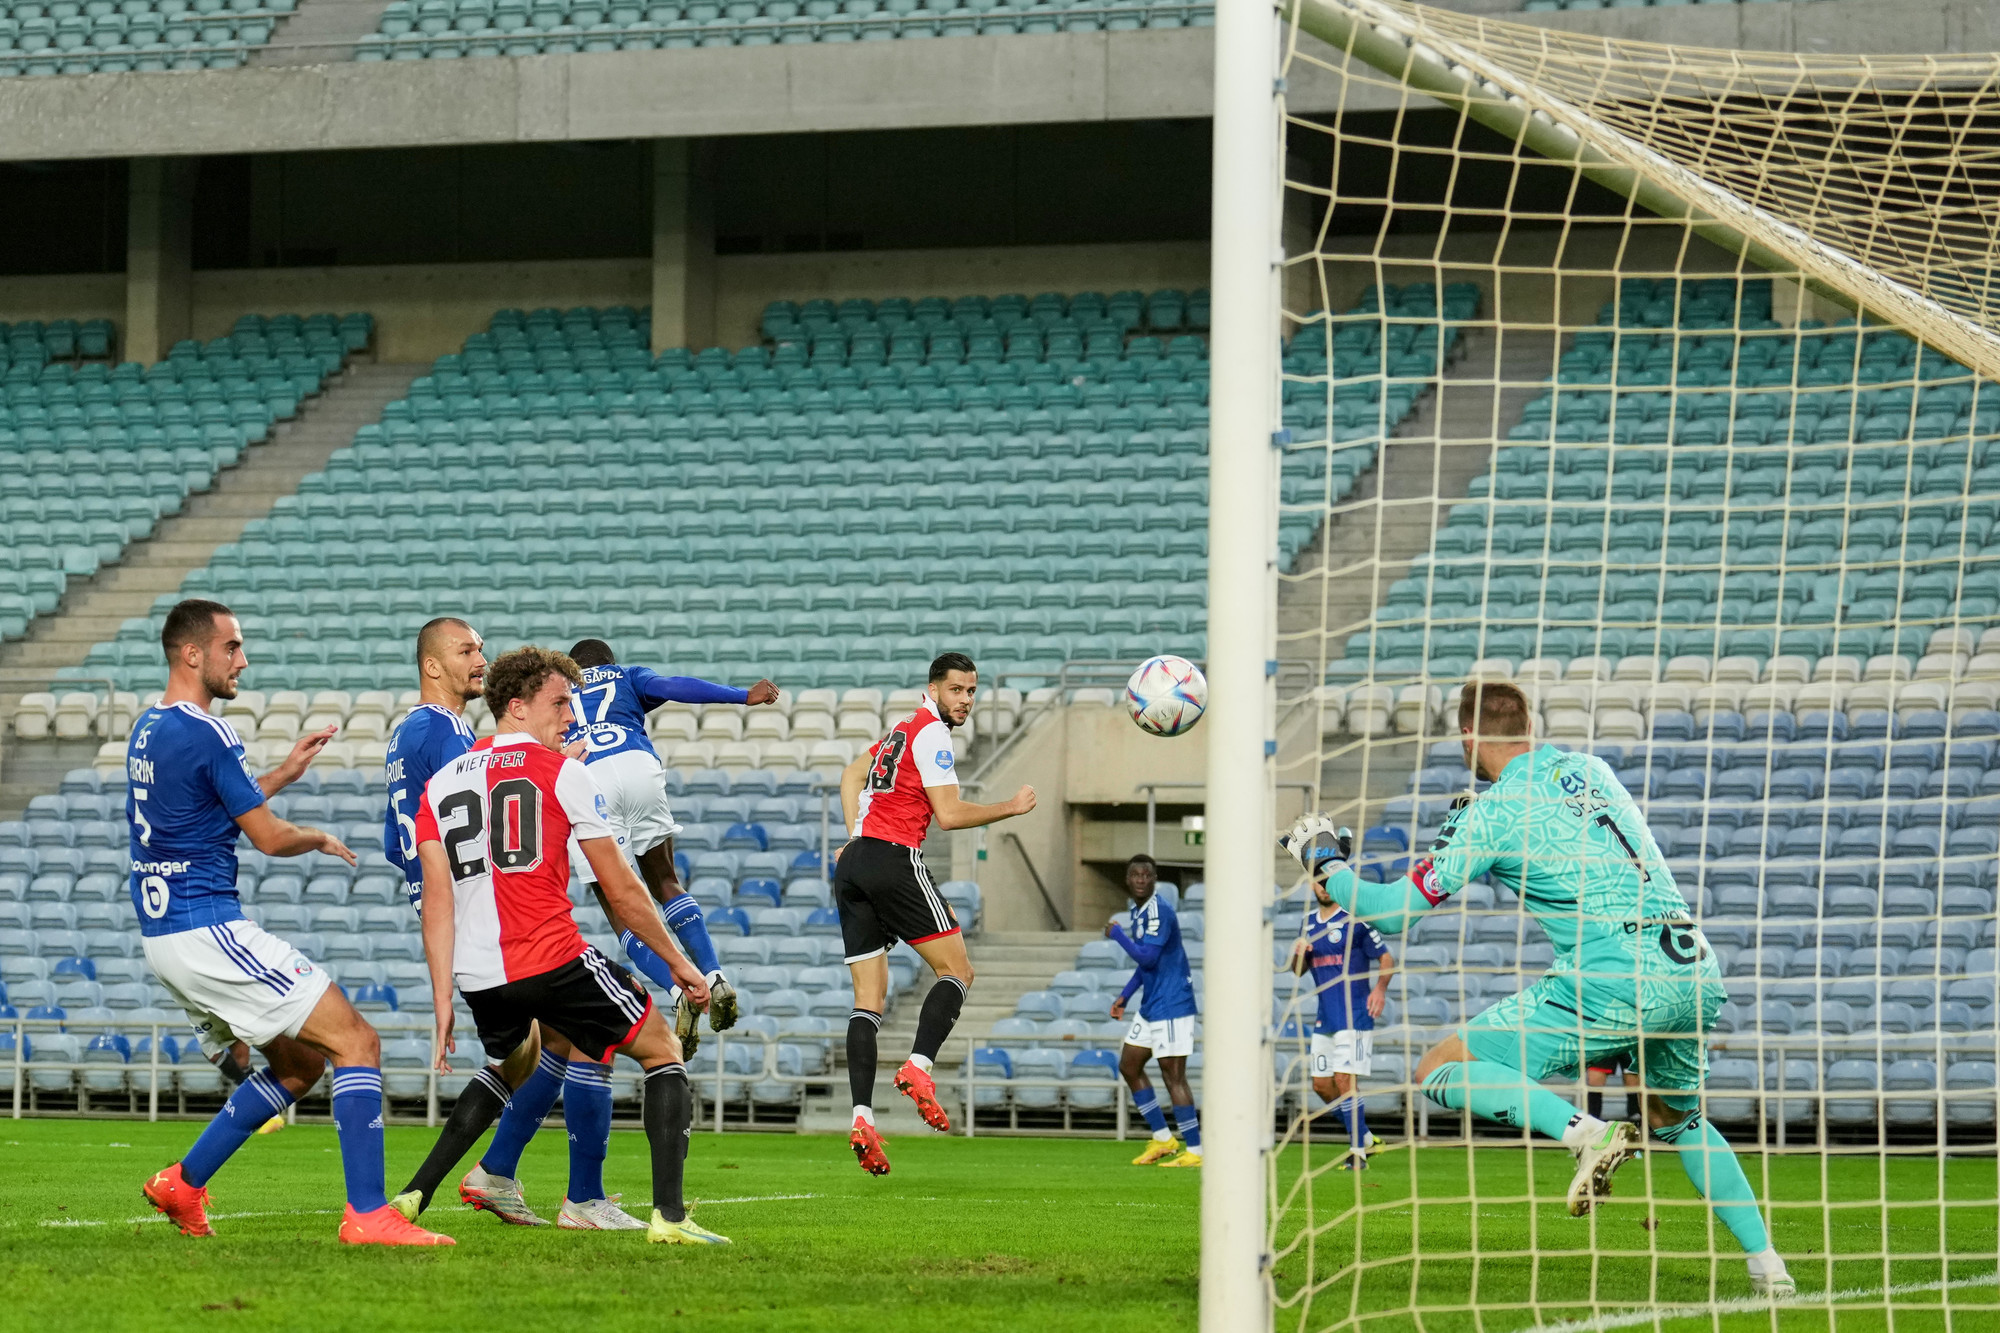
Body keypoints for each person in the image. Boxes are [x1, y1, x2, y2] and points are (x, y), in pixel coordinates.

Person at [1281, 679, 1794, 1298]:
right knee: (1676, 1118)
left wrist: (1326, 864)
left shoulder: (1493, 812)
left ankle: (1588, 1134)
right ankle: (1769, 1265)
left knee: (1439, 1067)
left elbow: (1391, 913)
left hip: (1611, 974)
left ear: (1468, 735)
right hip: (1690, 964)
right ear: (1529, 725)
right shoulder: (1591, 769)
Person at [132, 598, 450, 1246]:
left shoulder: (149, 727)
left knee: (302, 1065)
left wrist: (281, 773)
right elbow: (268, 839)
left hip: (163, 932)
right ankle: (367, 1214)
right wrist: (317, 836)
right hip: (206, 925)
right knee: (358, 1041)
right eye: (232, 647)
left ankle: (182, 1183)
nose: (241, 659)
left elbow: (202, 812)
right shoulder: (209, 732)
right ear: (193, 653)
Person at [388, 645, 727, 1244]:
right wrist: (681, 966)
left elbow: (437, 904)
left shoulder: (440, 786)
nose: (573, 716)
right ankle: (670, 1219)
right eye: (561, 703)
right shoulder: (564, 772)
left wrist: (443, 999)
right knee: (661, 1048)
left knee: (518, 1061)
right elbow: (623, 890)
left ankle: (417, 1194)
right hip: (550, 956)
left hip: (479, 975)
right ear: (516, 707)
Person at [382, 617, 625, 1231]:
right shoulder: (445, 733)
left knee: (547, 1046)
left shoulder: (406, 732)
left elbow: (400, 839)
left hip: (454, 901)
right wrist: (555, 765)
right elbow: (496, 802)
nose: (479, 659)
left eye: (481, 649)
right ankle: (578, 1194)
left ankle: (495, 1172)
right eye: (467, 650)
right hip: (481, 908)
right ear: (432, 665)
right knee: (581, 1035)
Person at [834, 651, 1035, 1176]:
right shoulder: (931, 734)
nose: (965, 700)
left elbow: (850, 775)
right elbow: (947, 815)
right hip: (894, 857)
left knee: (868, 1001)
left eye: (972, 691)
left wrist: (854, 836)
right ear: (934, 688)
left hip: (854, 864)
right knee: (958, 970)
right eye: (957, 691)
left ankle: (861, 1118)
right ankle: (919, 1067)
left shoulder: (901, 728)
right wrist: (1009, 808)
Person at [564, 638, 780, 1041]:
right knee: (665, 881)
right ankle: (714, 976)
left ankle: (679, 990)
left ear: (571, 669)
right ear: (609, 662)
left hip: (586, 774)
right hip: (637, 764)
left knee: (619, 909)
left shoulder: (557, 689)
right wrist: (742, 696)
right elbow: (673, 686)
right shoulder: (626, 676)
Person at [1288, 858, 1394, 1168]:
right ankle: (1365, 1137)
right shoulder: (1308, 923)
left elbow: (1387, 959)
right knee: (1321, 1085)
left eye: (1327, 881)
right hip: (1326, 1018)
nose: (1323, 887)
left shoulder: (1356, 919)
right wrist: (1299, 956)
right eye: (1318, 882)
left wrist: (1380, 990)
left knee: (1345, 1080)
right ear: (1312, 886)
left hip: (1355, 1014)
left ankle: (1357, 1155)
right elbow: (1298, 972)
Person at [1107, 854, 1202, 1168]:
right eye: (1135, 875)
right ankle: (1163, 1139)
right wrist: (1124, 997)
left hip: (1173, 1004)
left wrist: (1117, 934)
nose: (1140, 880)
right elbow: (1146, 967)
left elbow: (1147, 958)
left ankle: (1196, 1151)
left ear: (1155, 879)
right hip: (1152, 1004)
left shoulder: (1159, 910)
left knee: (1173, 1076)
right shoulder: (1140, 911)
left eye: (1146, 875)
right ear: (1127, 879)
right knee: (1129, 1065)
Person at [1586, 1052, 1642, 1124]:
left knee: (1633, 1079)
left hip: (1629, 1044)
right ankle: (1593, 1121)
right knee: (1595, 1079)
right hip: (1605, 1043)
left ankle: (1637, 1118)